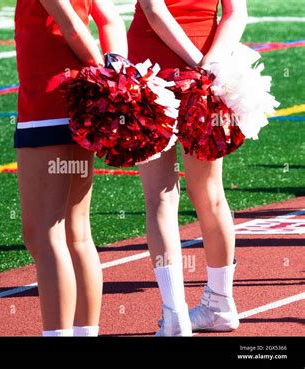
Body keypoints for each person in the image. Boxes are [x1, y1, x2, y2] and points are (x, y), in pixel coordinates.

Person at [128, 0, 248, 336]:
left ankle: (175, 315)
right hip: (208, 71)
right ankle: (221, 303)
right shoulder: (208, 69)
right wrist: (210, 66)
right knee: (210, 194)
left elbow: (154, 10)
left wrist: (199, 65)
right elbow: (236, 12)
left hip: (151, 71)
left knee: (160, 198)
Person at [15, 0, 127, 337]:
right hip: (77, 102)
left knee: (44, 233)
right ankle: (83, 333)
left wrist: (105, 76)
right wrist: (117, 68)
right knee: (75, 233)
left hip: (49, 102)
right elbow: (109, 19)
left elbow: (72, 26)